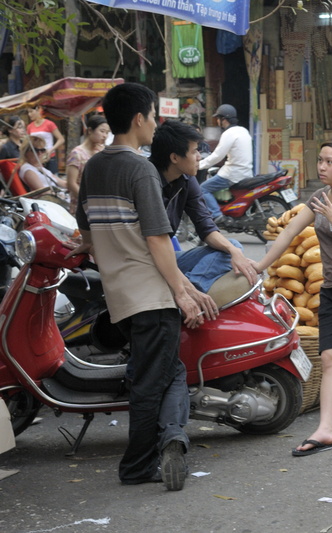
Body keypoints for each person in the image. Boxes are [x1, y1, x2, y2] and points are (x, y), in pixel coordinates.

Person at [69, 82, 218, 491]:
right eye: (152, 116)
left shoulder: (96, 165)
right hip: (149, 292)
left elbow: (85, 229)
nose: (155, 124)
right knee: (152, 381)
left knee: (164, 372)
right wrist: (182, 293)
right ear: (138, 119)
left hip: (119, 292)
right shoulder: (140, 169)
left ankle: (171, 435)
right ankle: (137, 466)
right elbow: (157, 238)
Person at [254, 137, 332, 456]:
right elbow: (289, 232)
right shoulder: (320, 197)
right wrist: (259, 265)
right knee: (329, 358)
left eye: (330, 162)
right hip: (331, 289)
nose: (322, 167)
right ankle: (325, 429)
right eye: (321, 161)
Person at [149, 119, 259, 291]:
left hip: (170, 259)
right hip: (145, 263)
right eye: (194, 152)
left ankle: (194, 288)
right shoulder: (147, 180)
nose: (199, 157)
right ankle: (189, 293)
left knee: (233, 247)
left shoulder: (187, 179)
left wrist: (233, 251)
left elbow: (205, 226)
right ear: (175, 157)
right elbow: (152, 242)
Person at [198, 104, 253, 223]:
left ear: (224, 119)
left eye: (218, 118)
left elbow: (217, 156)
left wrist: (198, 165)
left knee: (202, 189)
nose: (217, 121)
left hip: (233, 174)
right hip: (246, 172)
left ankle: (216, 214)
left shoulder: (229, 134)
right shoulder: (243, 130)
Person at [66, 115, 110, 214]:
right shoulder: (77, 154)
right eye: (102, 131)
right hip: (82, 206)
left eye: (107, 133)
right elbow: (71, 183)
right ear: (90, 130)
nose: (105, 136)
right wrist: (87, 200)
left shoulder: (103, 152)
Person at [26, 104, 64, 174]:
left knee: (53, 178)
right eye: (28, 112)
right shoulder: (29, 127)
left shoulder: (49, 124)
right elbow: (28, 142)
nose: (29, 114)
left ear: (38, 109)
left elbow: (61, 139)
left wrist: (51, 149)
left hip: (49, 156)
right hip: (36, 159)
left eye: (31, 111)